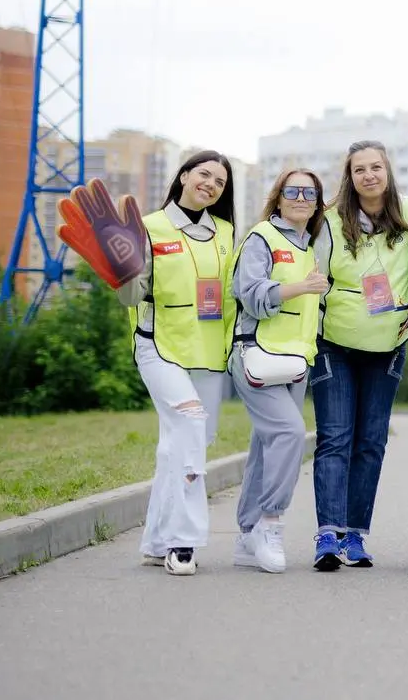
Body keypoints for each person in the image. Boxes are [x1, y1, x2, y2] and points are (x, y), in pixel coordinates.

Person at [118, 151, 237, 576]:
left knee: (181, 447)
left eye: (220, 181)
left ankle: (154, 541)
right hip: (159, 348)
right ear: (184, 175)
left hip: (207, 353)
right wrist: (121, 271)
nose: (210, 184)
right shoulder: (149, 226)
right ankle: (183, 541)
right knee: (188, 427)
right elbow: (131, 297)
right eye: (204, 174)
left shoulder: (226, 233)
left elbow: (229, 298)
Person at [309, 141, 408, 571]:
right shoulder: (330, 221)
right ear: (350, 177)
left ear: (388, 171)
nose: (369, 175)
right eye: (360, 169)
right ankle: (327, 535)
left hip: (388, 343)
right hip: (334, 342)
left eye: (376, 167)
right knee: (335, 438)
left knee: (371, 441)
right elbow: (311, 273)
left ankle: (355, 535)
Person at [229, 169, 329, 574]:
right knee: (289, 434)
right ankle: (270, 523)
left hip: (293, 362)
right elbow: (250, 294)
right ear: (279, 197)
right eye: (293, 190)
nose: (301, 197)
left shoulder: (308, 248)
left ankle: (246, 535)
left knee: (265, 445)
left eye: (310, 192)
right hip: (256, 356)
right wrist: (300, 288)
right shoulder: (261, 238)